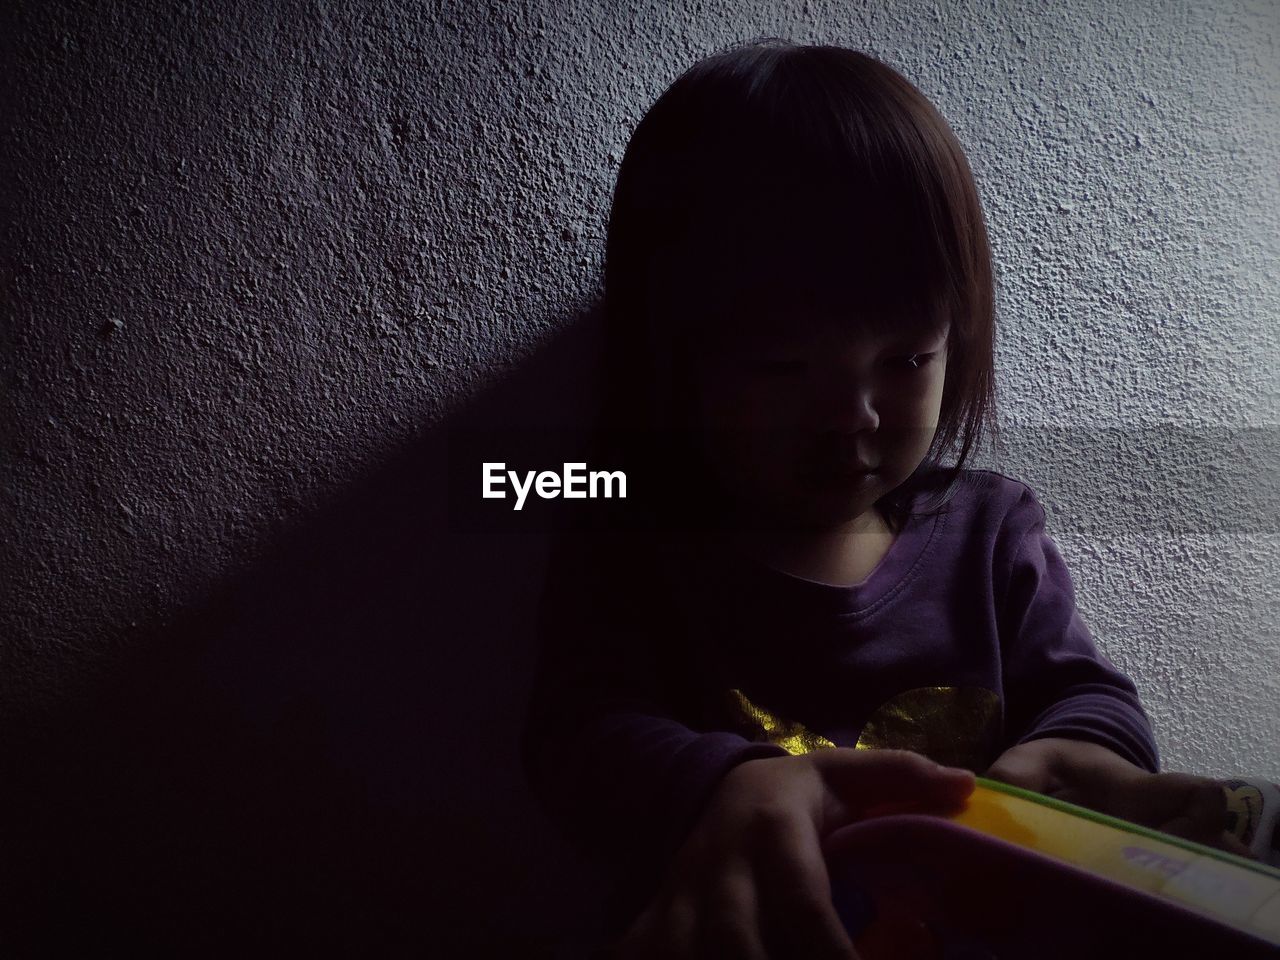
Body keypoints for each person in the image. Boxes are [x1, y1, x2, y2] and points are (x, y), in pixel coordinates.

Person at [519, 39, 1253, 959]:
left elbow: (1087, 693)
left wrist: (1081, 758)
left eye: (906, 360)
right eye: (781, 367)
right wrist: (728, 783)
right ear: (675, 356)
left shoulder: (991, 527)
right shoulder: (626, 522)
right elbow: (577, 739)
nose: (853, 419)